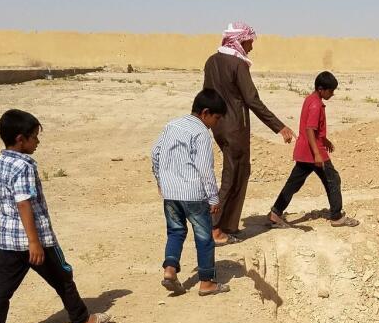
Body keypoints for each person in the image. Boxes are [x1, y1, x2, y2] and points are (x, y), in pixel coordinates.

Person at [0, 109, 111, 323]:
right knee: (63, 278)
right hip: (34, 239)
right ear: (20, 139)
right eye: (34, 137)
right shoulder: (23, 165)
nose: (37, 142)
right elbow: (24, 202)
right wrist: (34, 242)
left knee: (0, 292)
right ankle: (82, 320)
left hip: (7, 240)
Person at [203, 21, 295, 245]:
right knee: (233, 175)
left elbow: (205, 94)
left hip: (218, 126)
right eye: (249, 42)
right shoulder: (237, 64)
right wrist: (279, 126)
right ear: (240, 40)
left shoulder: (211, 61)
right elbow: (252, 100)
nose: (251, 47)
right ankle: (215, 228)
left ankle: (226, 225)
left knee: (237, 172)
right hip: (235, 128)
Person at [151, 90, 231, 297]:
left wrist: (160, 181)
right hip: (193, 194)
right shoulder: (201, 133)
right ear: (206, 113)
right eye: (216, 118)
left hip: (170, 192)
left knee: (175, 231)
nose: (216, 123)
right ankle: (207, 282)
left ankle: (170, 269)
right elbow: (205, 168)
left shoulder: (172, 125)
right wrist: (213, 197)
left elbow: (155, 153)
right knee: (204, 237)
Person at [267, 71, 359, 229]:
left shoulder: (311, 99)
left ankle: (275, 213)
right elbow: (310, 129)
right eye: (331, 91)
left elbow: (313, 129)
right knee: (333, 179)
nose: (332, 94)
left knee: (294, 183)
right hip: (313, 152)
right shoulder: (316, 104)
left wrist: (325, 139)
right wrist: (317, 154)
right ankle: (336, 216)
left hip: (304, 150)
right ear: (321, 89)